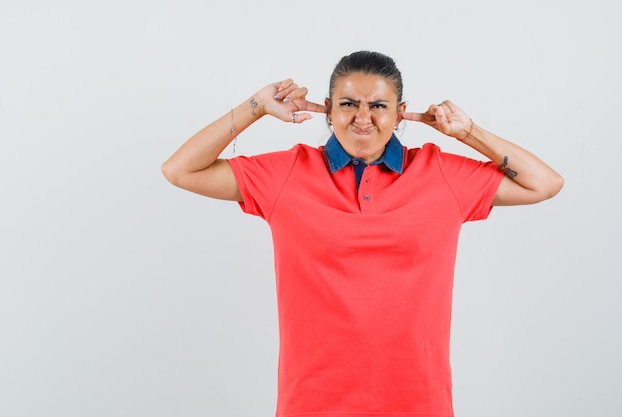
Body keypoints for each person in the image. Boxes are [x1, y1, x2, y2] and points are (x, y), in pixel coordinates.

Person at [162, 51, 563, 417]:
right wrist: (256, 107)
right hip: (312, 404)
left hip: (419, 403)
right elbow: (181, 169)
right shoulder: (287, 174)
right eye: (349, 104)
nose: (362, 117)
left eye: (378, 106)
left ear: (401, 113)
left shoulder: (440, 175)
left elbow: (543, 183)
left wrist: (467, 132)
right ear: (329, 110)